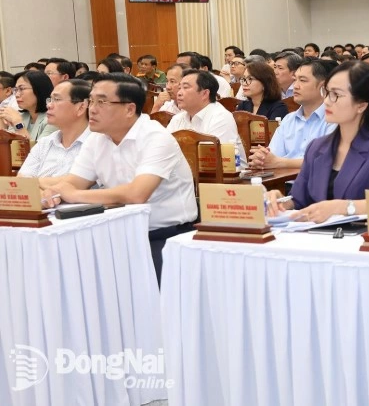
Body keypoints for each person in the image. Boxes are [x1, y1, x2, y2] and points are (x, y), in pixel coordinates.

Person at [40, 73, 197, 282]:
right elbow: (73, 182)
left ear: (129, 109)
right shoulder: (97, 138)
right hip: (116, 233)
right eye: (91, 101)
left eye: (102, 102)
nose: (92, 109)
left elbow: (136, 194)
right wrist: (55, 192)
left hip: (164, 237)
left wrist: (74, 194)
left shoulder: (156, 137)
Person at [266, 61, 369, 223]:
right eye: (326, 93)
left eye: (336, 95)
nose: (327, 101)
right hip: (316, 238)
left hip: (363, 237)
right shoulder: (317, 146)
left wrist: (341, 208)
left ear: (361, 105)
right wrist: (281, 201)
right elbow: (300, 200)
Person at [250, 59, 336, 170]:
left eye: (303, 80)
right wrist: (261, 158)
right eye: (295, 80)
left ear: (323, 86)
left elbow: (326, 161)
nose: (295, 86)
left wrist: (279, 163)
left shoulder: (333, 119)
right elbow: (273, 156)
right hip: (283, 183)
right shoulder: (289, 119)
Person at [167, 69, 245, 163]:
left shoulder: (220, 117)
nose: (179, 93)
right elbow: (164, 149)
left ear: (204, 94)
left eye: (186, 87)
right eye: (179, 88)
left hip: (223, 175)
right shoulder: (178, 119)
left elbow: (212, 159)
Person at [18, 79, 92, 178]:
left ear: (81, 107)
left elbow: (72, 185)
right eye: (50, 100)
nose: (49, 105)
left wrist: (37, 184)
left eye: (57, 99)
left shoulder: (96, 144)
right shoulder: (45, 143)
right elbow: (23, 182)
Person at [2, 71, 56, 141]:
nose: (17, 95)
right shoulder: (22, 116)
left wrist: (18, 124)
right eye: (16, 90)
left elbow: (38, 150)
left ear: (39, 89)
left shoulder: (53, 119)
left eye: (22, 89)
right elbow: (8, 146)